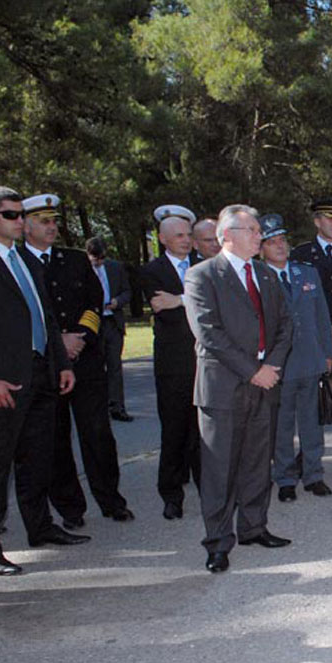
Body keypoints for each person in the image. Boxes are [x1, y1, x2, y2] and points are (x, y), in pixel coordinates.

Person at [184, 204, 293, 573]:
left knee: (257, 462)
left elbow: (285, 325)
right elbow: (209, 334)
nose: (259, 236)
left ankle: (253, 527)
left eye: (259, 230)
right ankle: (217, 543)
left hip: (265, 382)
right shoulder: (202, 276)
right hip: (224, 388)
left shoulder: (265, 274)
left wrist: (272, 366)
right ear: (227, 235)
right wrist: (253, 371)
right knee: (220, 468)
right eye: (253, 230)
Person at [18, 193, 133, 527]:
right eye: (44, 221)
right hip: (46, 363)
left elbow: (93, 303)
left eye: (54, 221)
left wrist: (79, 339)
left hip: (84, 358)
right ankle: (70, 509)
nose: (52, 227)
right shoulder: (17, 262)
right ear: (26, 225)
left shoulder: (74, 259)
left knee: (97, 433)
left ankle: (111, 500)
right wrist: (59, 344)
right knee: (55, 438)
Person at [0, 185, 86, 575]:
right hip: (3, 381)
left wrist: (61, 363)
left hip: (40, 373)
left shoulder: (23, 260)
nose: (18, 221)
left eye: (19, 214)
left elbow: (45, 315)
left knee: (37, 459)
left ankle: (41, 528)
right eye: (10, 215)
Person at [260, 213, 332, 502]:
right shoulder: (259, 277)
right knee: (282, 426)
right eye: (272, 242)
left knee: (311, 423)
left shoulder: (306, 273)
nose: (280, 246)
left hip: (310, 360)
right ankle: (286, 478)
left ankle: (314, 475)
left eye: (282, 240)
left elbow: (321, 316)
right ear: (261, 248)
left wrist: (328, 353)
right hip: (279, 365)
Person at [138, 205, 202, 520]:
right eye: (178, 235)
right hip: (173, 363)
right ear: (163, 239)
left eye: (189, 235)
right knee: (174, 430)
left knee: (204, 431)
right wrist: (187, 301)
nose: (186, 240)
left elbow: (213, 302)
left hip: (204, 359)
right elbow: (161, 306)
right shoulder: (152, 271)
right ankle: (171, 495)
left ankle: (210, 491)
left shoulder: (205, 265)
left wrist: (179, 300)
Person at [85, 237, 133, 422]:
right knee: (94, 368)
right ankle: (96, 409)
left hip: (112, 322)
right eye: (95, 260)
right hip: (92, 323)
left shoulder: (115, 267)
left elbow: (127, 291)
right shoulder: (82, 269)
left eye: (101, 259)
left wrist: (117, 302)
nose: (98, 263)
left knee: (115, 367)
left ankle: (117, 406)